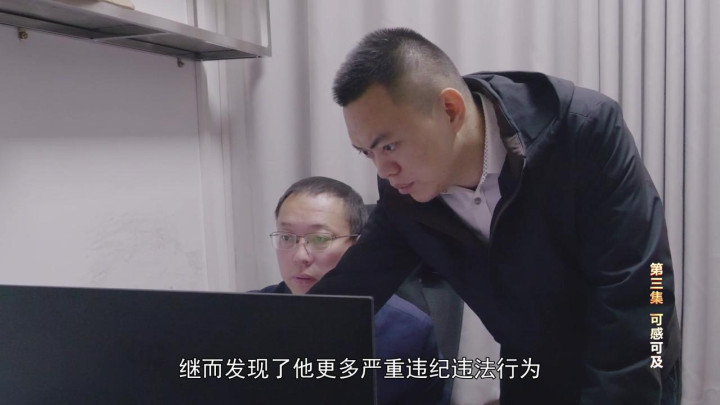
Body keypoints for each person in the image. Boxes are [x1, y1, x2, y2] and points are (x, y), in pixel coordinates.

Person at [308, 27, 681, 404]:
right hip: (532, 377)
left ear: (450, 110)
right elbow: (350, 291)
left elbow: (642, 286)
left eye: (389, 146)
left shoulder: (582, 130)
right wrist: (283, 345)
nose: (384, 169)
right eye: (367, 153)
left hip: (634, 370)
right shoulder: (405, 193)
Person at [258, 176, 448, 405]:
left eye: (320, 239)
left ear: (358, 247)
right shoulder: (245, 316)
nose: (299, 256)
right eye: (287, 237)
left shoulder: (410, 330)